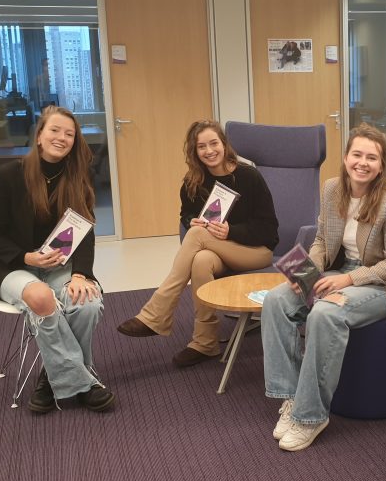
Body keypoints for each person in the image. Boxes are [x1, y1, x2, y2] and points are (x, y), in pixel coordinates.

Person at [261, 123, 386, 452]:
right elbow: (321, 242)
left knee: (325, 313)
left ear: (381, 164)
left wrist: (348, 279)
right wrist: (306, 271)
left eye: (371, 158)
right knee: (276, 300)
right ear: (346, 157)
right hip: (337, 271)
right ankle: (291, 398)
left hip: (383, 284)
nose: (363, 162)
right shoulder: (332, 189)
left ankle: (311, 416)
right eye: (357, 154)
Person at [0, 105, 114, 414]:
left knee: (87, 302)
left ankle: (51, 379)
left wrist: (81, 274)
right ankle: (85, 382)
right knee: (40, 297)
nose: (61, 138)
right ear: (39, 136)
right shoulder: (12, 174)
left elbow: (84, 231)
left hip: (59, 265)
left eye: (69, 134)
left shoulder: (77, 176)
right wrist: (26, 257)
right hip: (13, 267)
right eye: (54, 130)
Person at [116, 120, 279, 367]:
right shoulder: (193, 181)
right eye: (201, 146)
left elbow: (269, 229)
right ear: (194, 151)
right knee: (201, 260)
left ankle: (157, 312)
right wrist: (190, 219)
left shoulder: (249, 176)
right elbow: (186, 213)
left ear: (224, 145)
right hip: (217, 252)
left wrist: (231, 231)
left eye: (214, 143)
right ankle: (205, 342)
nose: (209, 151)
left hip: (257, 251)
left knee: (196, 237)